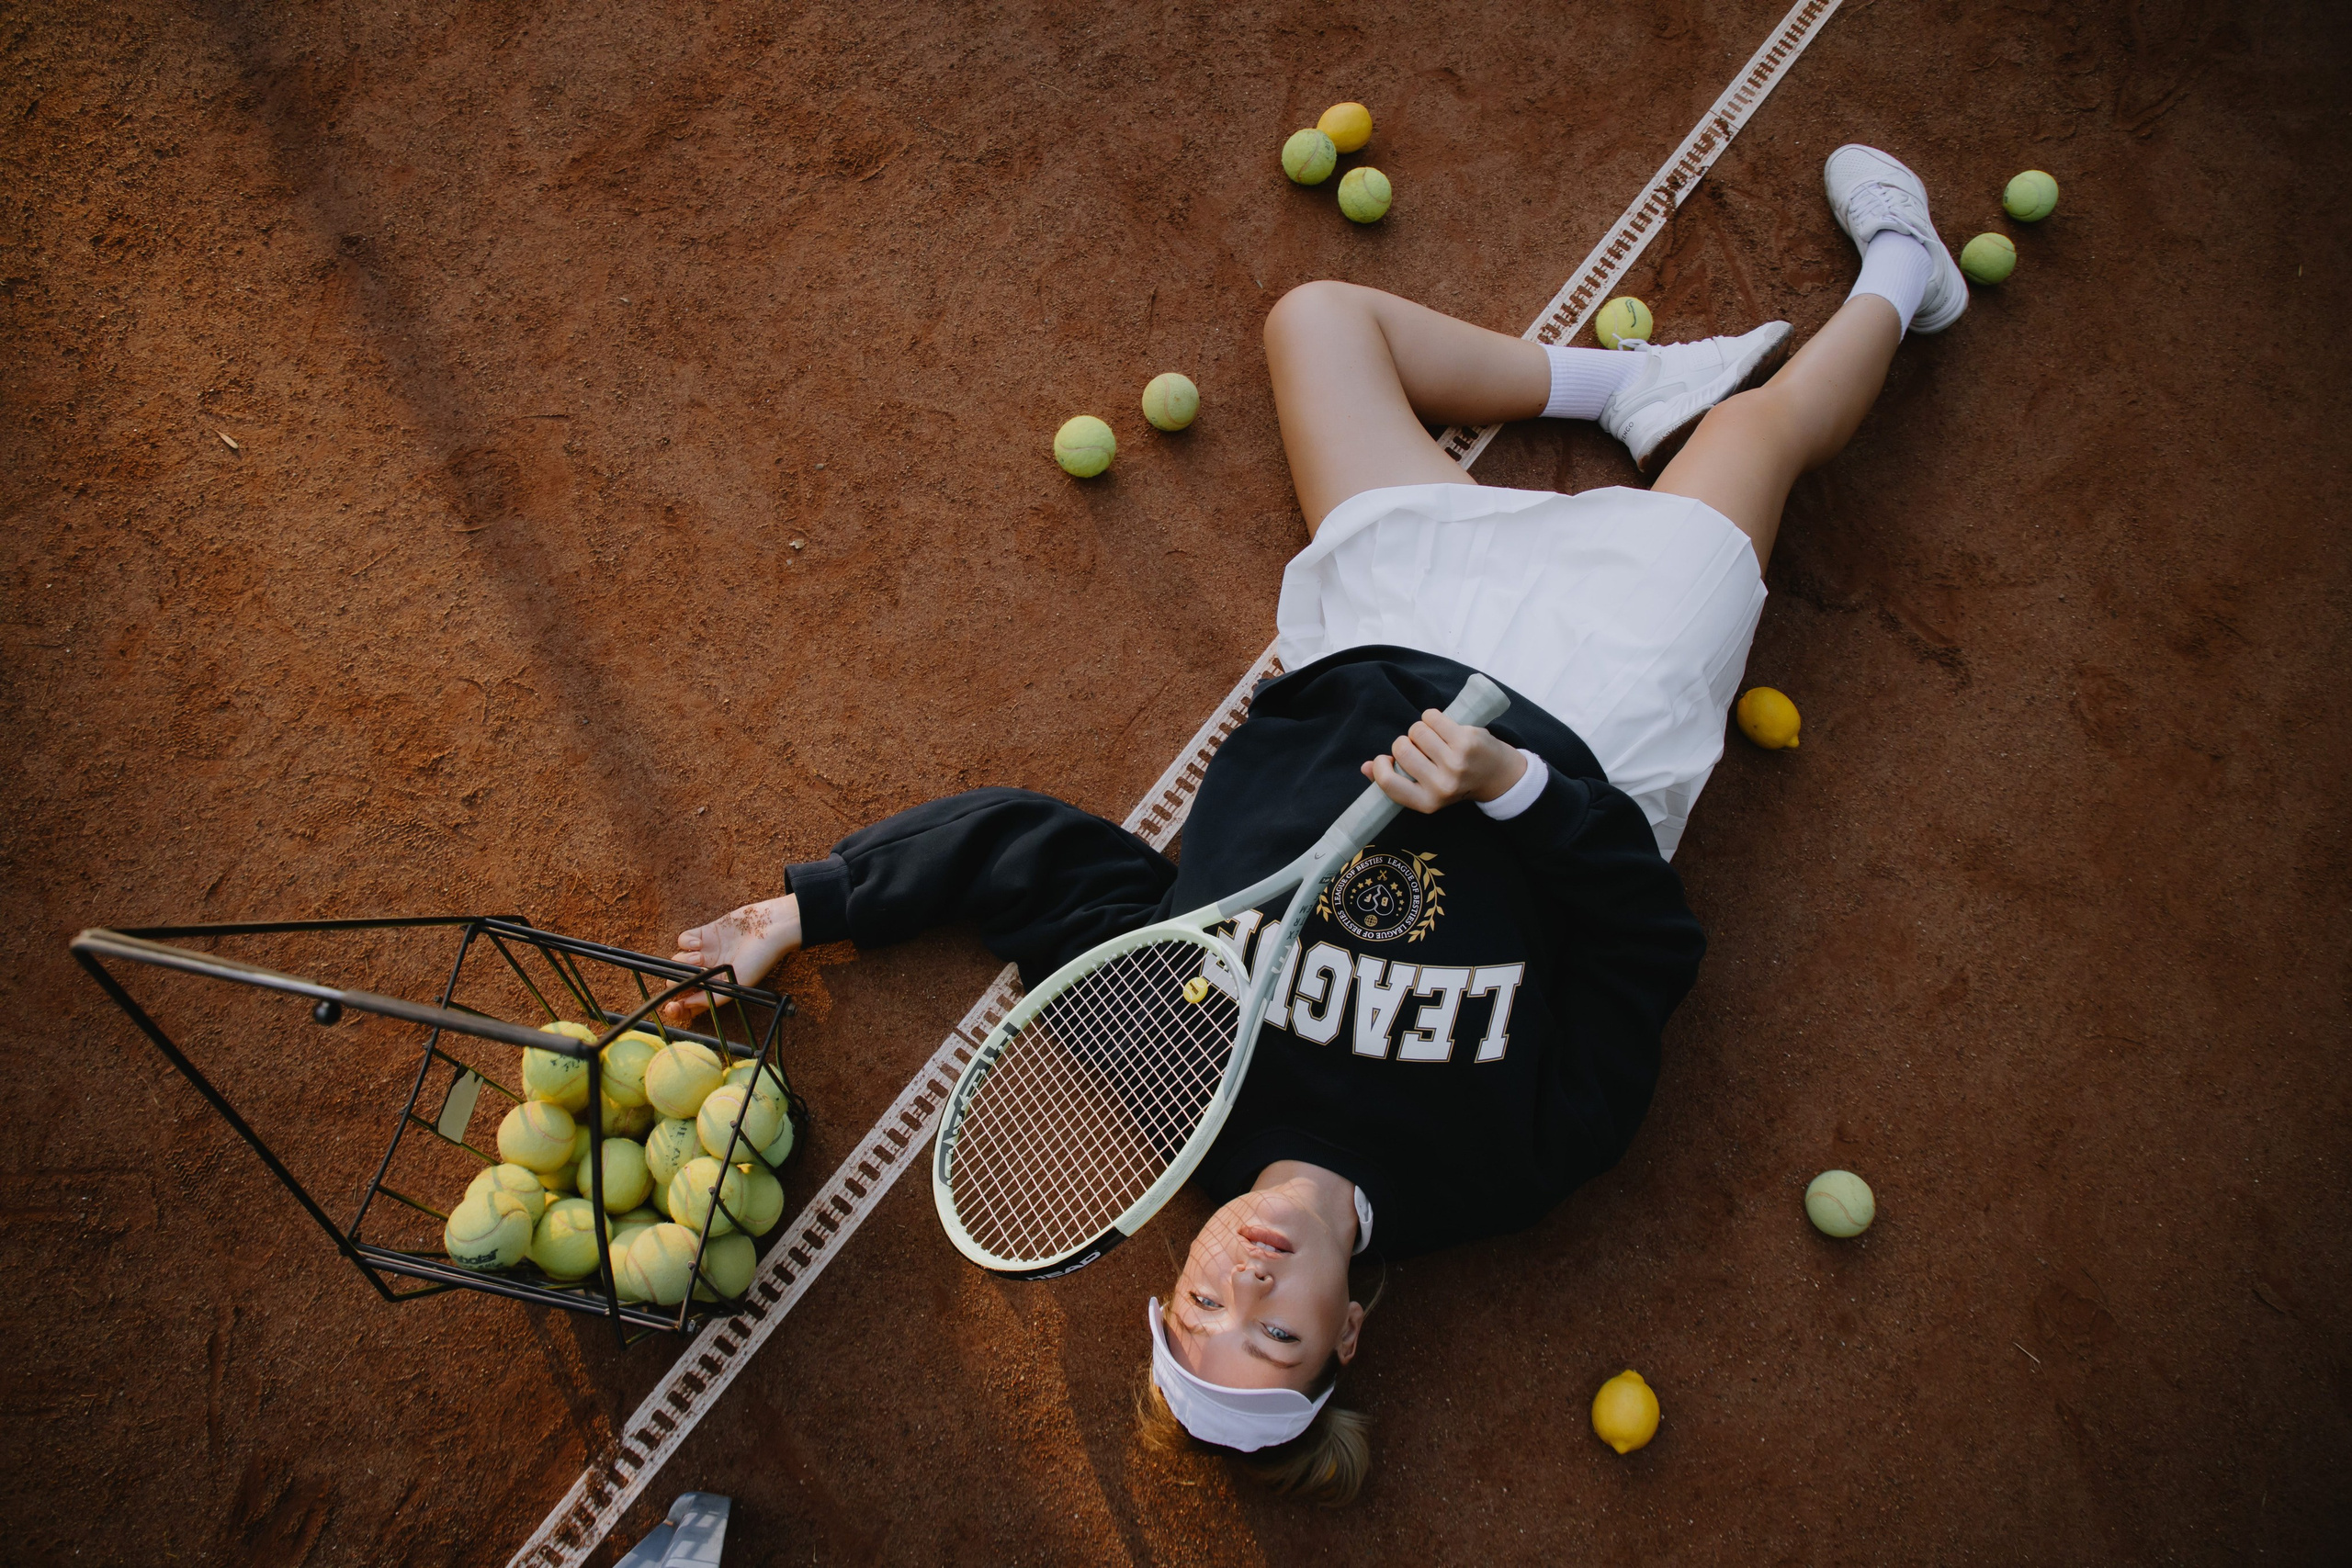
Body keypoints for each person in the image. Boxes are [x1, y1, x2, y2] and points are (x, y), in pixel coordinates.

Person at [660, 146, 1966, 1504]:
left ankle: (1630, 385)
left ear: (1172, 1283)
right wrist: (1511, 787)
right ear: (1348, 1330)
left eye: (1202, 1311)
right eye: (1278, 1335)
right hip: (1597, 706)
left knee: (1317, 321)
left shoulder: (1168, 1094)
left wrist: (807, 905)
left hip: (1384, 634)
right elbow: (1648, 952)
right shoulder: (1512, 1171)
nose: (1248, 1282)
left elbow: (1024, 856)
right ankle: (1907, 276)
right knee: (1757, 437)